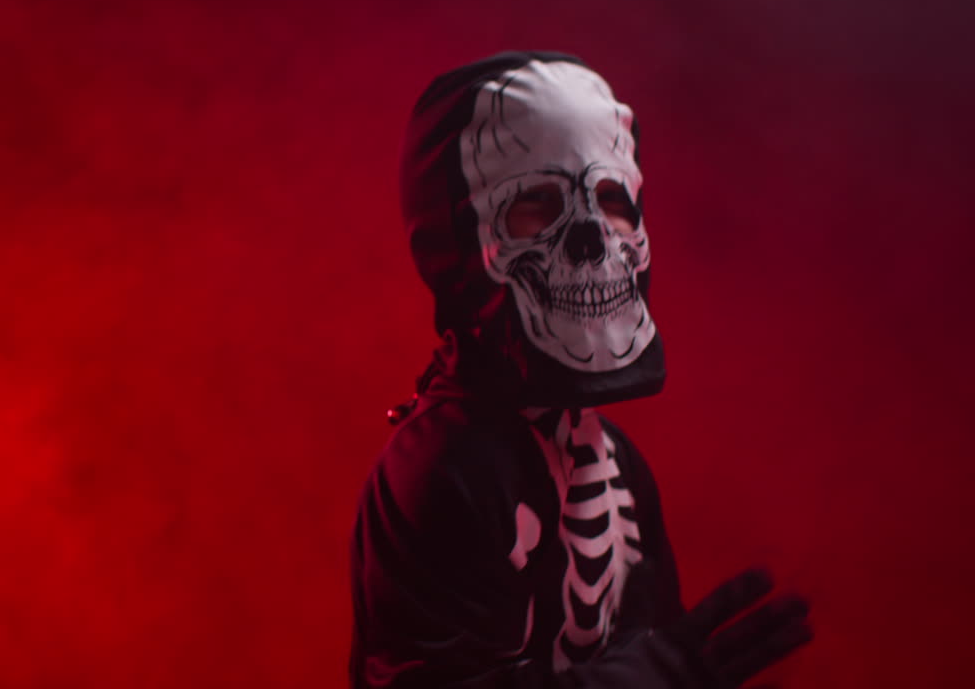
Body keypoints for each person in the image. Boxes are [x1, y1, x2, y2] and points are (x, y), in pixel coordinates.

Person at [348, 52, 812, 688]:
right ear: (459, 240)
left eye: (613, 200)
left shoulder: (615, 457)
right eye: (536, 206)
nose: (595, 238)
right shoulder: (441, 469)